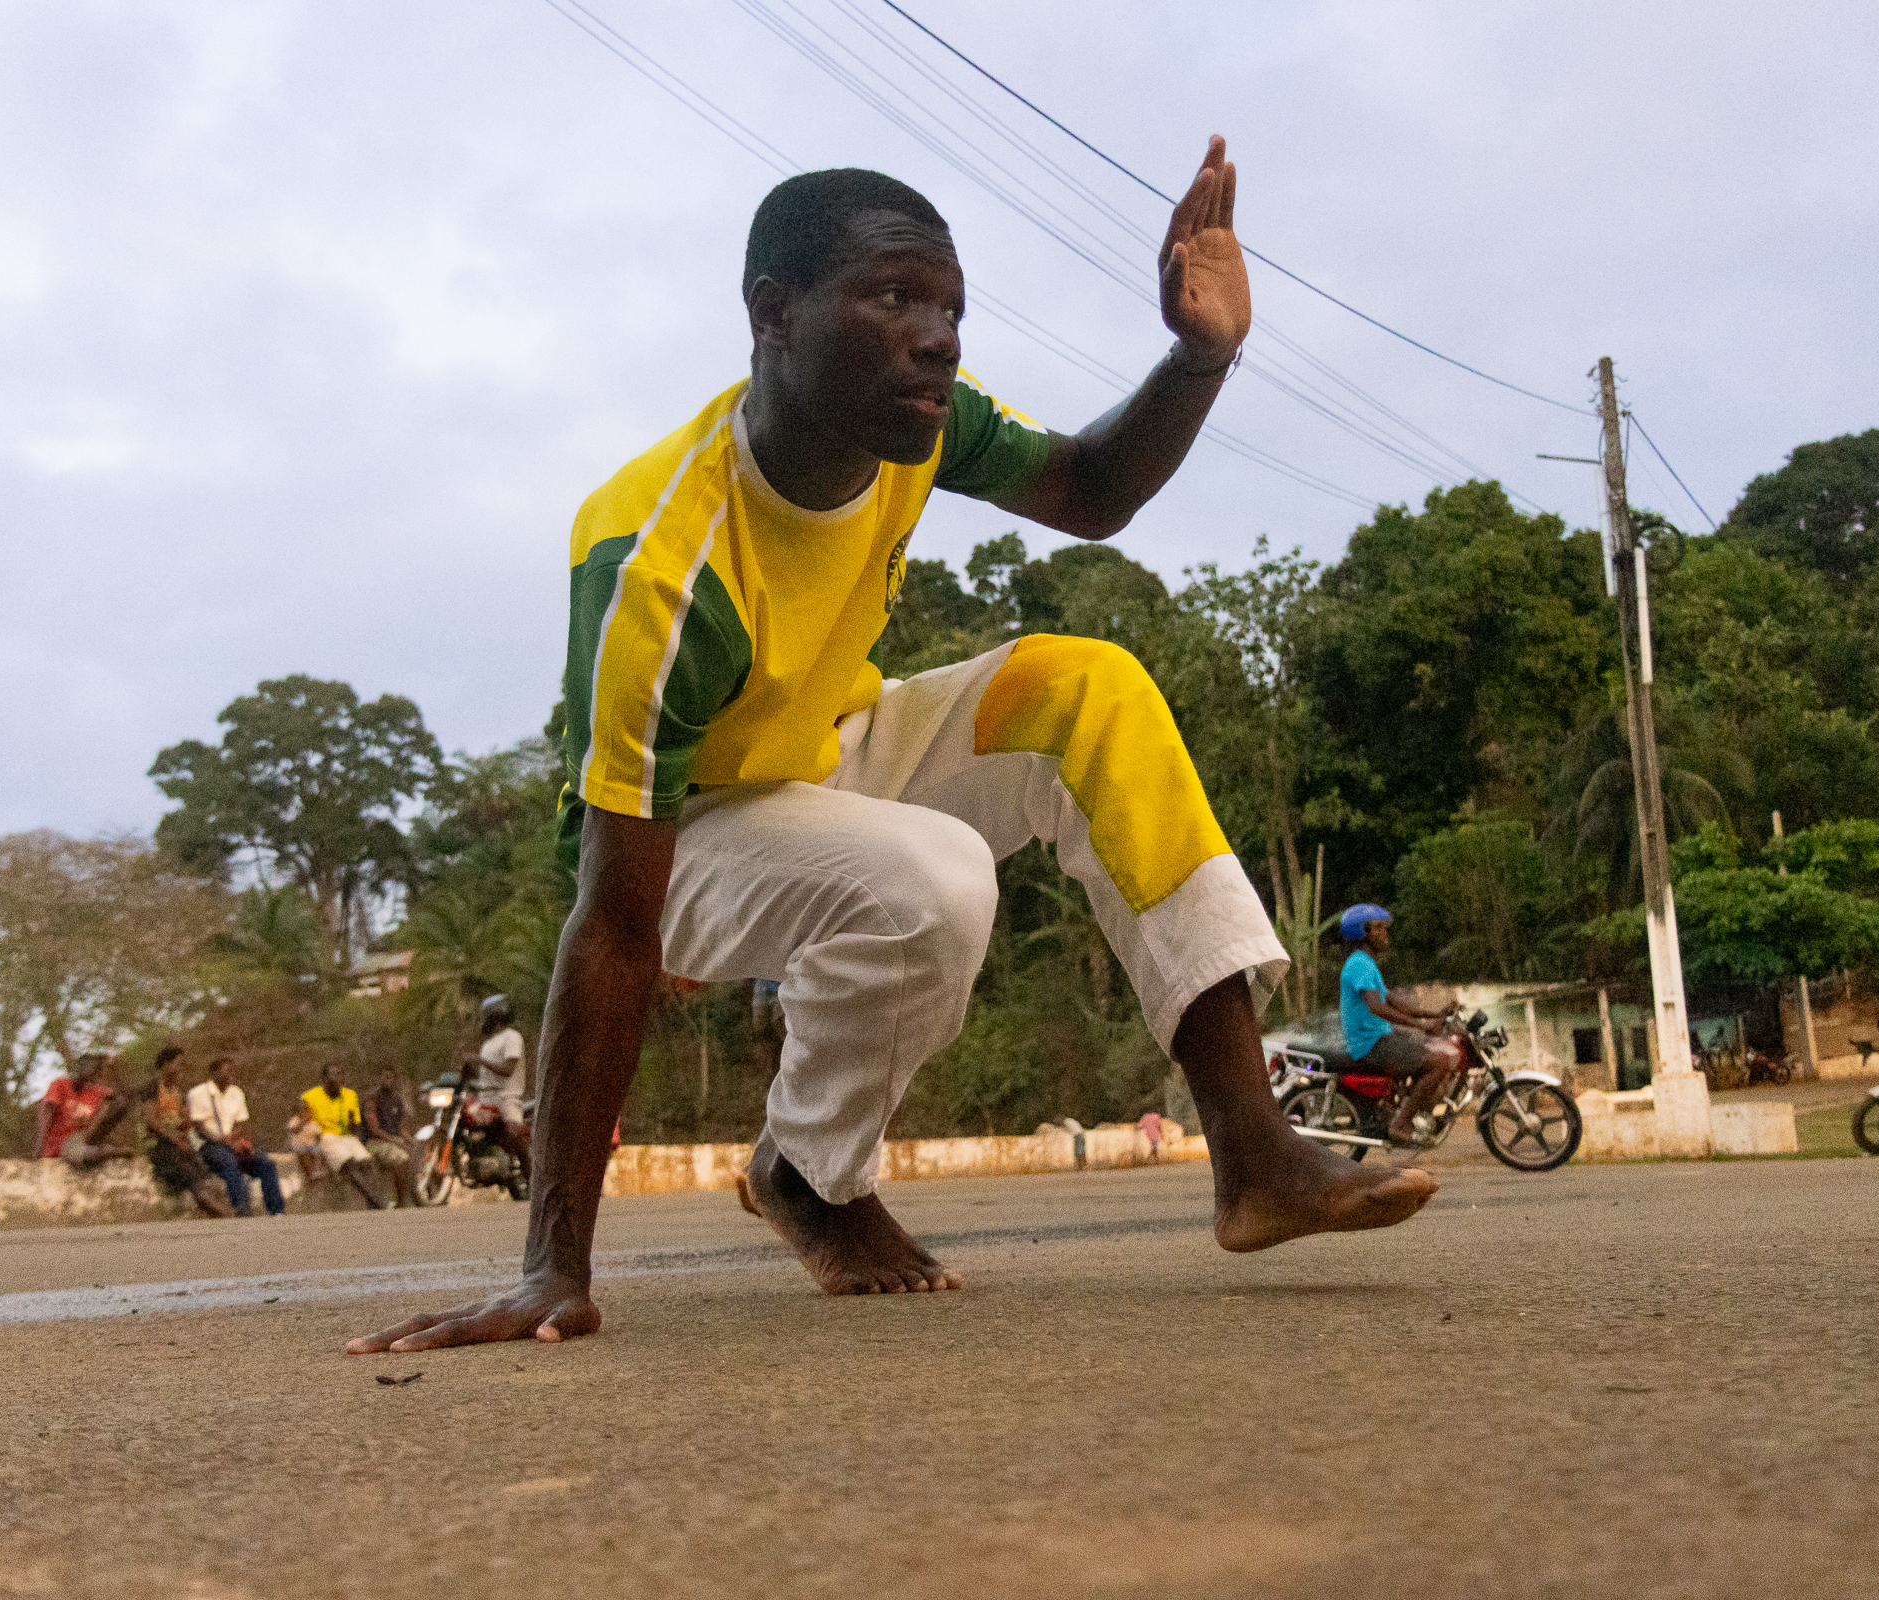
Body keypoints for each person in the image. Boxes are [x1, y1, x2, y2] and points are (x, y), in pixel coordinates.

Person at [351, 139, 1434, 1357]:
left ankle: (1253, 1154)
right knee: (934, 877)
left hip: (828, 750)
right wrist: (552, 1265)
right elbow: (608, 922)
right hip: (677, 840)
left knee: (1094, 689)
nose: (938, 339)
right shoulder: (660, 563)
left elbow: (1091, 491)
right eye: (893, 298)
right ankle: (811, 1175)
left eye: (951, 308)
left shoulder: (919, 427)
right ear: (773, 313)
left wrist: (1200, 355)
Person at [1333, 905, 1463, 1144]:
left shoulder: (1366, 963)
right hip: (1372, 1044)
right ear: (1362, 932)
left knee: (1428, 1050)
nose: (1385, 932)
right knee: (1438, 1061)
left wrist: (1432, 1015)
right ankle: (1401, 1123)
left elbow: (1393, 1001)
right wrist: (1421, 1026)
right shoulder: (1360, 963)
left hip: (1378, 1040)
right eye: (1378, 928)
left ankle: (1409, 1113)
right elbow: (1377, 1007)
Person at [187, 1056, 285, 1218]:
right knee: (229, 1162)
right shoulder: (198, 1093)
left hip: (232, 1143)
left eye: (233, 1071)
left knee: (266, 1165)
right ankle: (240, 1211)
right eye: (227, 1071)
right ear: (214, 1072)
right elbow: (199, 1128)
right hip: (209, 1145)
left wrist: (239, 1142)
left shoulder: (236, 1092)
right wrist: (222, 1140)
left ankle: (277, 1211)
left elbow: (242, 1123)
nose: (231, 1074)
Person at [143, 1045, 233, 1218]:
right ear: (166, 1064)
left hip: (176, 1141)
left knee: (201, 1163)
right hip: (159, 1145)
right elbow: (152, 1122)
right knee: (185, 1169)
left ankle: (216, 1206)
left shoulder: (175, 1090)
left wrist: (186, 1126)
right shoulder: (153, 1087)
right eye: (178, 1064)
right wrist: (176, 1139)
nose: (180, 1069)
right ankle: (215, 1208)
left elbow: (177, 1121)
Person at [302, 1064, 393, 1209]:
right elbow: (302, 1122)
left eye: (340, 1075)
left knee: (366, 1163)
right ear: (324, 1078)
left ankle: (376, 1200)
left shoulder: (350, 1095)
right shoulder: (310, 1096)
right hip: (325, 1138)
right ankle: (375, 1202)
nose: (338, 1078)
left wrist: (352, 1125)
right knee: (350, 1165)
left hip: (347, 1137)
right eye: (334, 1075)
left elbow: (356, 1127)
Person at [469, 995, 531, 1167]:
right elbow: (486, 1074)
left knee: (513, 1133)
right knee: (467, 1124)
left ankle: (530, 1174)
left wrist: (479, 1060)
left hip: (506, 1097)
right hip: (487, 1099)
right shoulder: (488, 1044)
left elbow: (508, 1070)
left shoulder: (512, 1037)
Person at [33, 1052, 116, 1159]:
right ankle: (103, 1153)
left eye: (92, 1070)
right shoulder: (60, 1085)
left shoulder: (94, 1092)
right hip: (59, 1149)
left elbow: (114, 1096)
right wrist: (40, 1146)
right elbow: (46, 1116)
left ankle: (102, 1152)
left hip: (81, 1143)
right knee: (75, 1151)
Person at [361, 1067, 420, 1207]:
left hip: (393, 1141)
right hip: (375, 1143)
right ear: (379, 1078)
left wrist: (410, 1141)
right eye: (386, 1077)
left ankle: (421, 1198)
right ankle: (401, 1202)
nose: (389, 1080)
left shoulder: (396, 1099)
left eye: (391, 1077)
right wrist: (396, 1141)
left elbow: (400, 1128)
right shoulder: (372, 1099)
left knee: (418, 1155)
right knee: (402, 1159)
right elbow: (374, 1130)